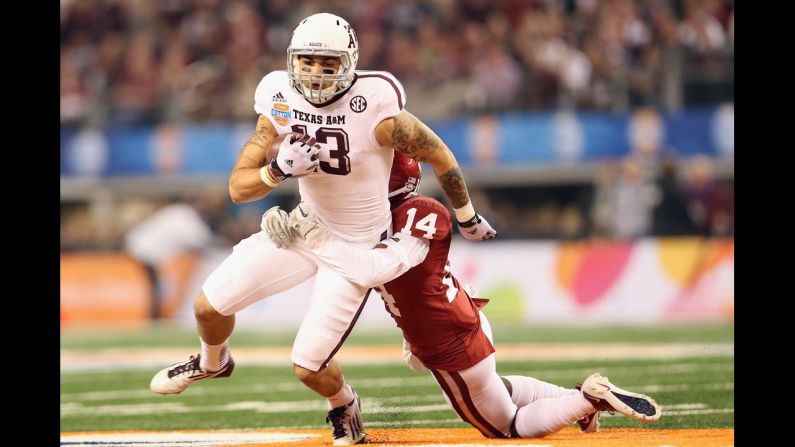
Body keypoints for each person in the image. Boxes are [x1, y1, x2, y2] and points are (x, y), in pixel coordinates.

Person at [149, 12, 496, 446]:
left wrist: (465, 215)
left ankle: (344, 403)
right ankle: (213, 361)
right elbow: (239, 187)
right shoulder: (278, 97)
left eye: (327, 64)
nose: (315, 74)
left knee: (308, 367)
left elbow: (440, 154)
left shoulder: (374, 105)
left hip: (355, 246)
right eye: (308, 62)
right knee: (207, 308)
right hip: (304, 228)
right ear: (292, 60)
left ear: (348, 64)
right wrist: (277, 170)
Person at [261, 153, 661, 438]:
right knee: (496, 389)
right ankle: (577, 401)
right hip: (462, 314)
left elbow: (372, 270)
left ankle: (588, 401)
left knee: (505, 427)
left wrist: (313, 236)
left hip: (447, 341)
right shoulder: (400, 214)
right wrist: (287, 224)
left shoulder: (418, 215)